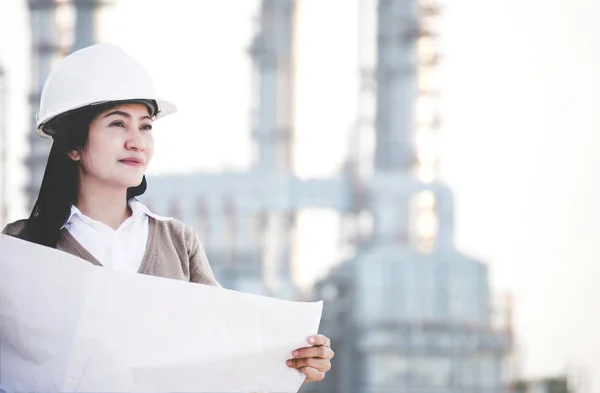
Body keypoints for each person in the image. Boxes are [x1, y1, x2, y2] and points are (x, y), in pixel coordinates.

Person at [1, 43, 334, 386]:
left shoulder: (177, 242)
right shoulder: (21, 246)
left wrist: (298, 356)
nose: (137, 142)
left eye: (145, 126)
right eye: (118, 124)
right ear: (72, 145)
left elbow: (227, 343)